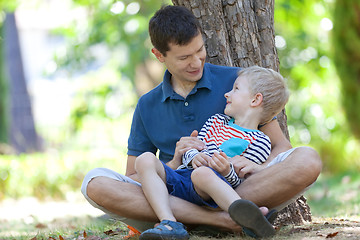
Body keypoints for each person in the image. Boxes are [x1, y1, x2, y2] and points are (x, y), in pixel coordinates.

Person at [81, 4, 322, 235]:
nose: (196, 63)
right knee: (94, 183)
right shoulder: (147, 105)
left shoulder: (237, 82)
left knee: (307, 160)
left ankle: (223, 211)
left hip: (235, 187)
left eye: (200, 51)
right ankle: (220, 221)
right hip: (175, 192)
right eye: (185, 57)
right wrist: (175, 161)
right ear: (158, 55)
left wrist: (258, 168)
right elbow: (134, 176)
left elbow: (281, 147)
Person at [135, 66, 290, 239]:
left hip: (206, 189)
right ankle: (169, 223)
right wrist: (194, 156)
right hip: (181, 177)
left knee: (202, 174)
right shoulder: (215, 121)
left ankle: (248, 216)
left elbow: (241, 178)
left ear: (255, 100)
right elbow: (193, 147)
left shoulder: (260, 142)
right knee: (145, 159)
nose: (227, 94)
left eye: (236, 89)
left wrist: (225, 170)